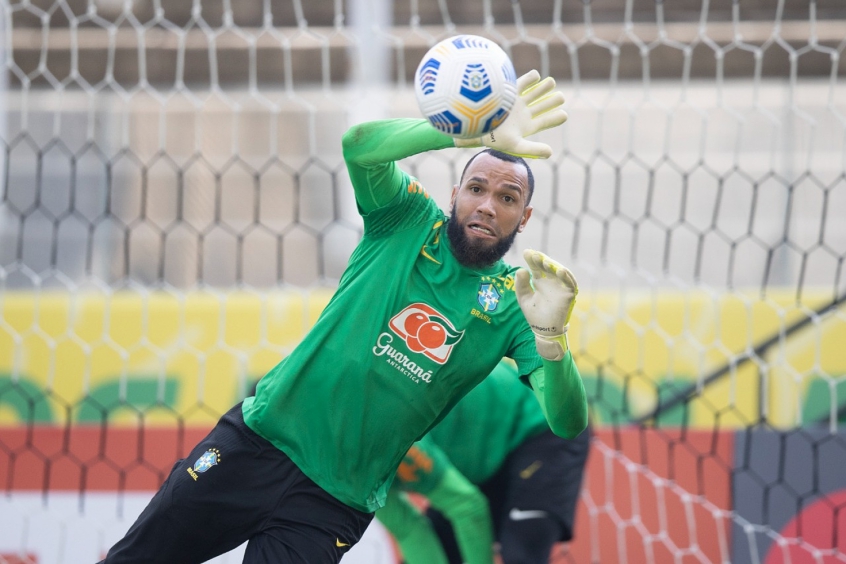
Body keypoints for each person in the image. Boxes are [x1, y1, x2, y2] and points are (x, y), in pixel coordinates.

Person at [100, 69, 588, 564]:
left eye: (507, 199)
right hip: (257, 444)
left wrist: (553, 340)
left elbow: (567, 423)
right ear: (455, 193)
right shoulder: (408, 218)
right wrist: (465, 130)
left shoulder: (516, 301)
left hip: (333, 503)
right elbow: (358, 145)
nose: (487, 205)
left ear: (523, 218)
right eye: (477, 188)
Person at [377, 360, 591, 564]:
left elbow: (468, 507)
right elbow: (408, 530)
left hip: (539, 425)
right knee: (438, 549)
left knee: (521, 552)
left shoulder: (394, 442)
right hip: (478, 453)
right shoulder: (348, 479)